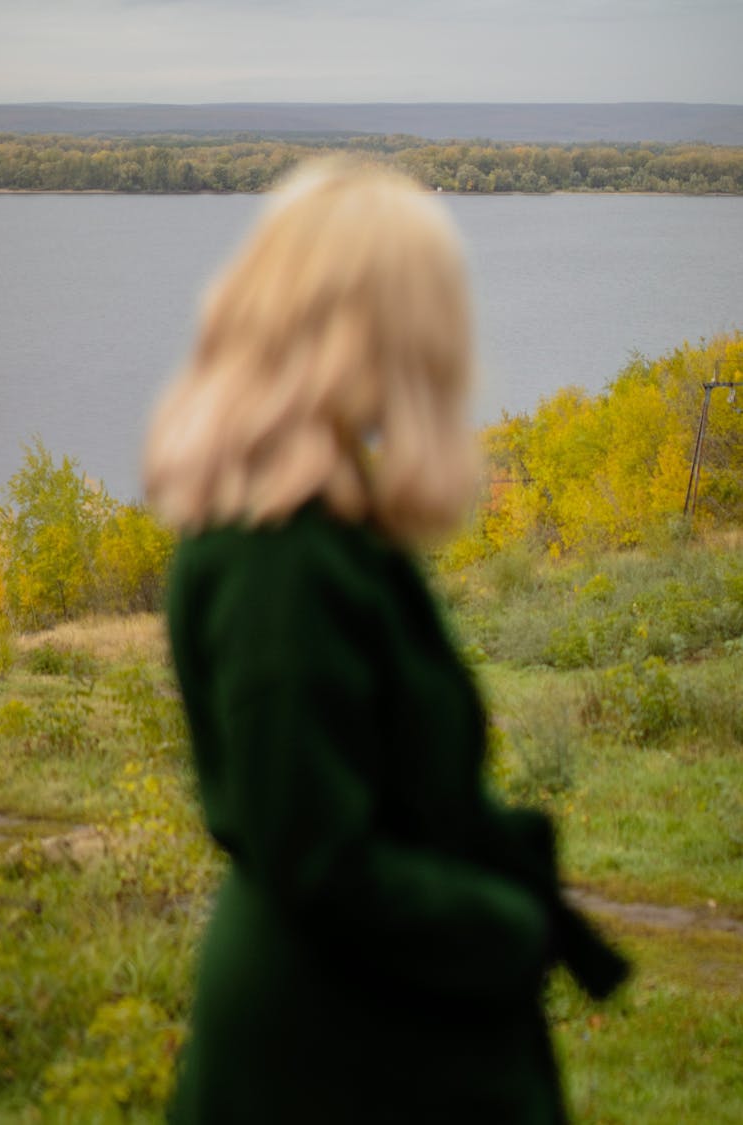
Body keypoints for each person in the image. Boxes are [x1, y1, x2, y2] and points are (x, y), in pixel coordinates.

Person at [144, 161, 628, 1125]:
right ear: (372, 326)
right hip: (338, 1047)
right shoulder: (278, 562)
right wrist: (506, 924)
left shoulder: (319, 533)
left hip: (363, 1018)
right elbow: (317, 855)